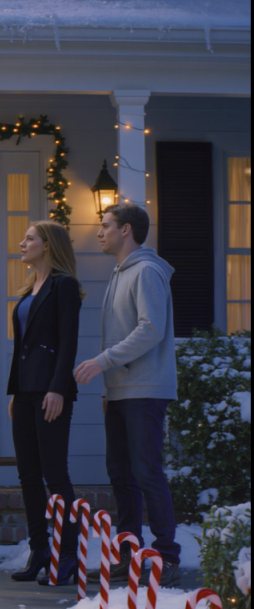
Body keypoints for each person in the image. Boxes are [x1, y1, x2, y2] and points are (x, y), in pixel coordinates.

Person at [74, 204, 181, 588]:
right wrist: (109, 388)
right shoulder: (121, 273)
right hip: (120, 392)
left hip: (146, 390)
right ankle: (128, 557)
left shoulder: (148, 271)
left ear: (127, 230)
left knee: (147, 471)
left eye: (105, 226)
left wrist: (102, 363)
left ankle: (167, 556)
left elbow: (150, 329)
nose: (99, 232)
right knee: (121, 474)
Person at [7, 221, 85, 585]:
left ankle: (67, 554)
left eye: (30, 239)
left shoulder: (63, 286)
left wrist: (57, 388)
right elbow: (20, 348)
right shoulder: (28, 290)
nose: (22, 243)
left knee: (55, 474)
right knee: (27, 476)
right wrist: (15, 392)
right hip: (25, 393)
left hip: (51, 392)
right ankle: (40, 550)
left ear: (48, 245)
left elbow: (68, 341)